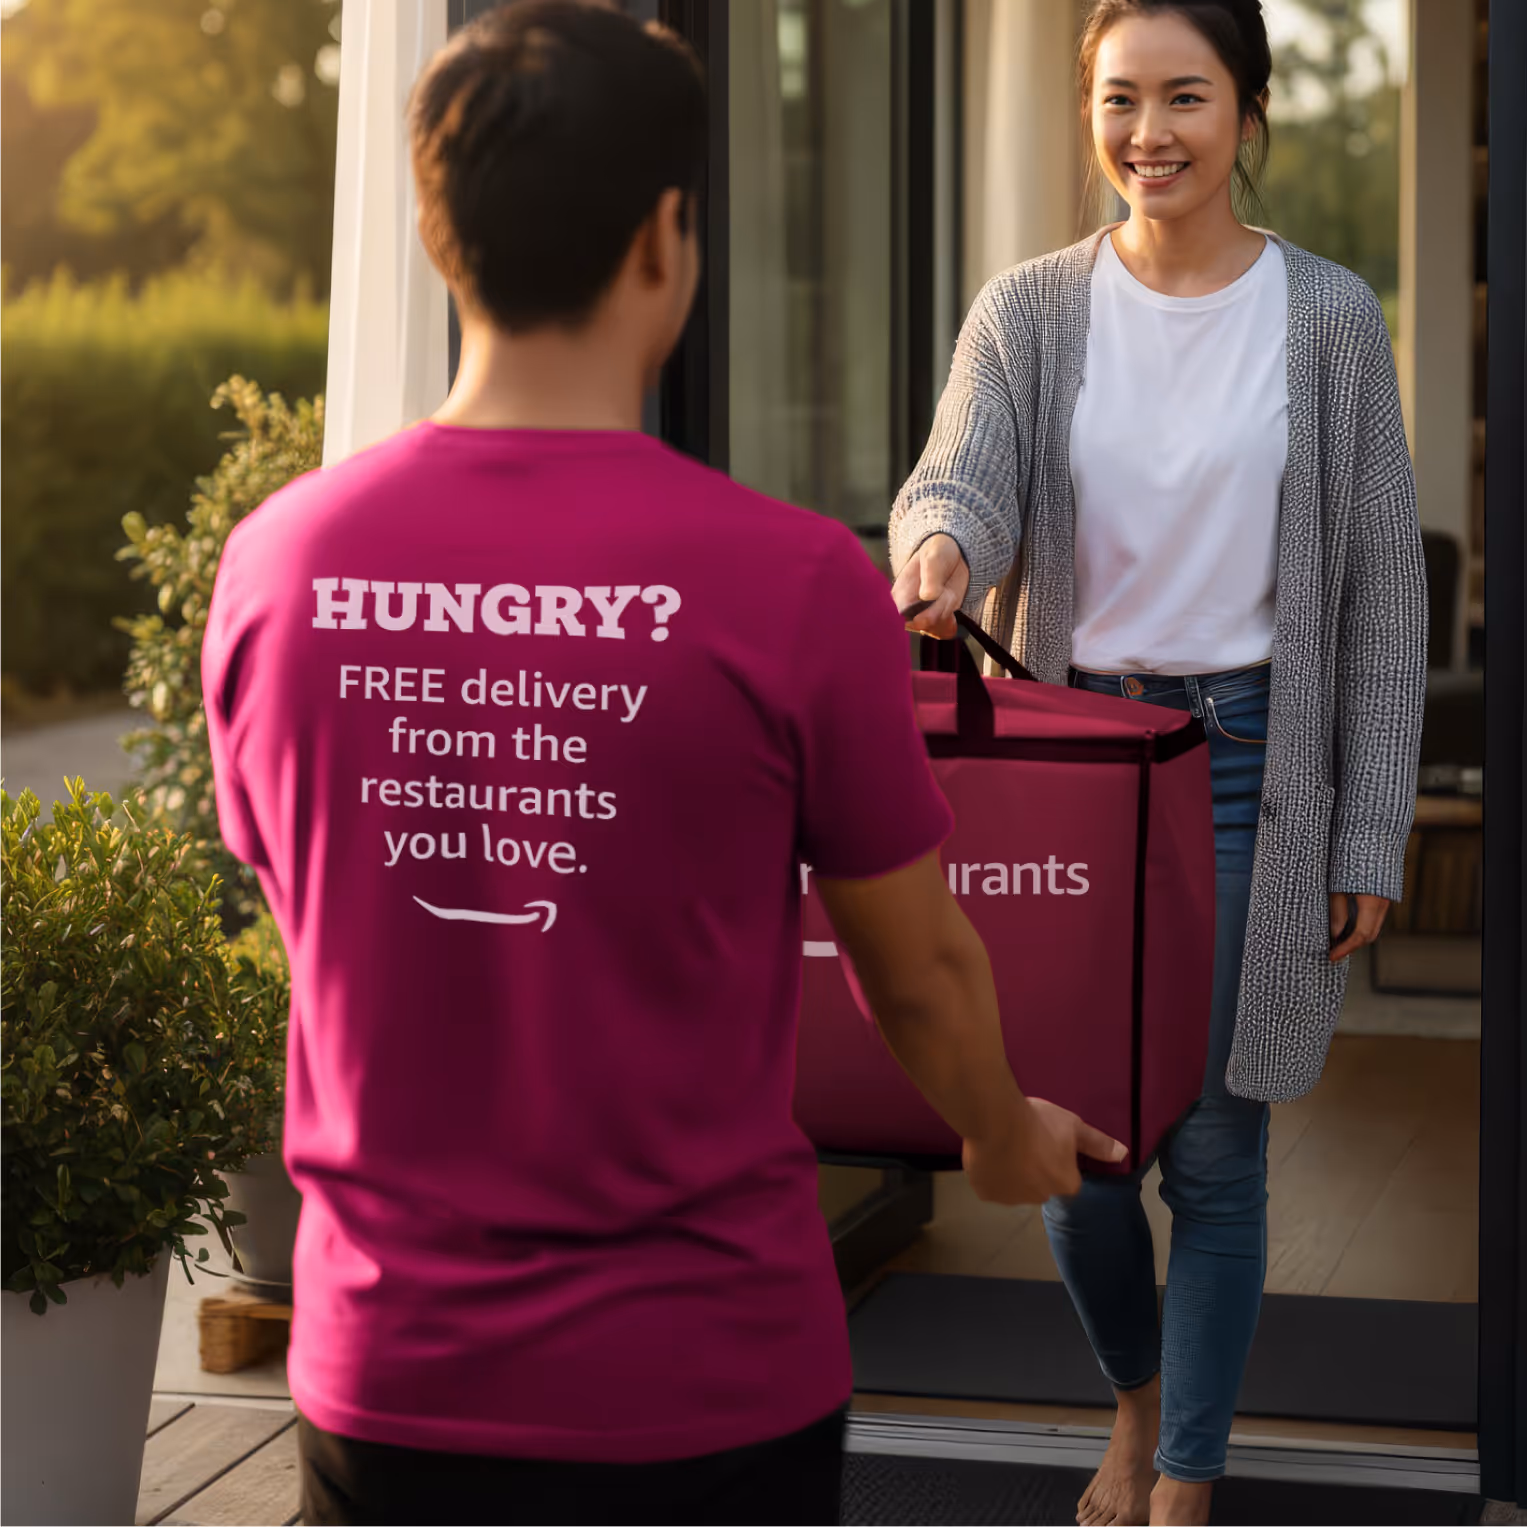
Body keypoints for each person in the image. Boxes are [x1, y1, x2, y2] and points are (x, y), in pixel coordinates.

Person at [201, 4, 1123, 1524]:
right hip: (701, 1386)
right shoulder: (790, 582)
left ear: (441, 237)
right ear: (665, 240)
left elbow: (306, 893)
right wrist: (998, 1126)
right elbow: (920, 970)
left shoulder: (277, 567)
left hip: (384, 1374)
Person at [890, 1, 1426, 1524]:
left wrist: (1366, 827)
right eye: (1119, 101)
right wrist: (936, 547)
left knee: (1217, 1142)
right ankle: (1135, 1399)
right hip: (1075, 757)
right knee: (1074, 1144)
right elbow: (961, 470)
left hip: (1252, 758)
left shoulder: (1326, 316)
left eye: (1185, 99)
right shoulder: (1030, 308)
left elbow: (1382, 588)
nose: (1150, 136)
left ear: (1247, 113)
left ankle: (1181, 1470)